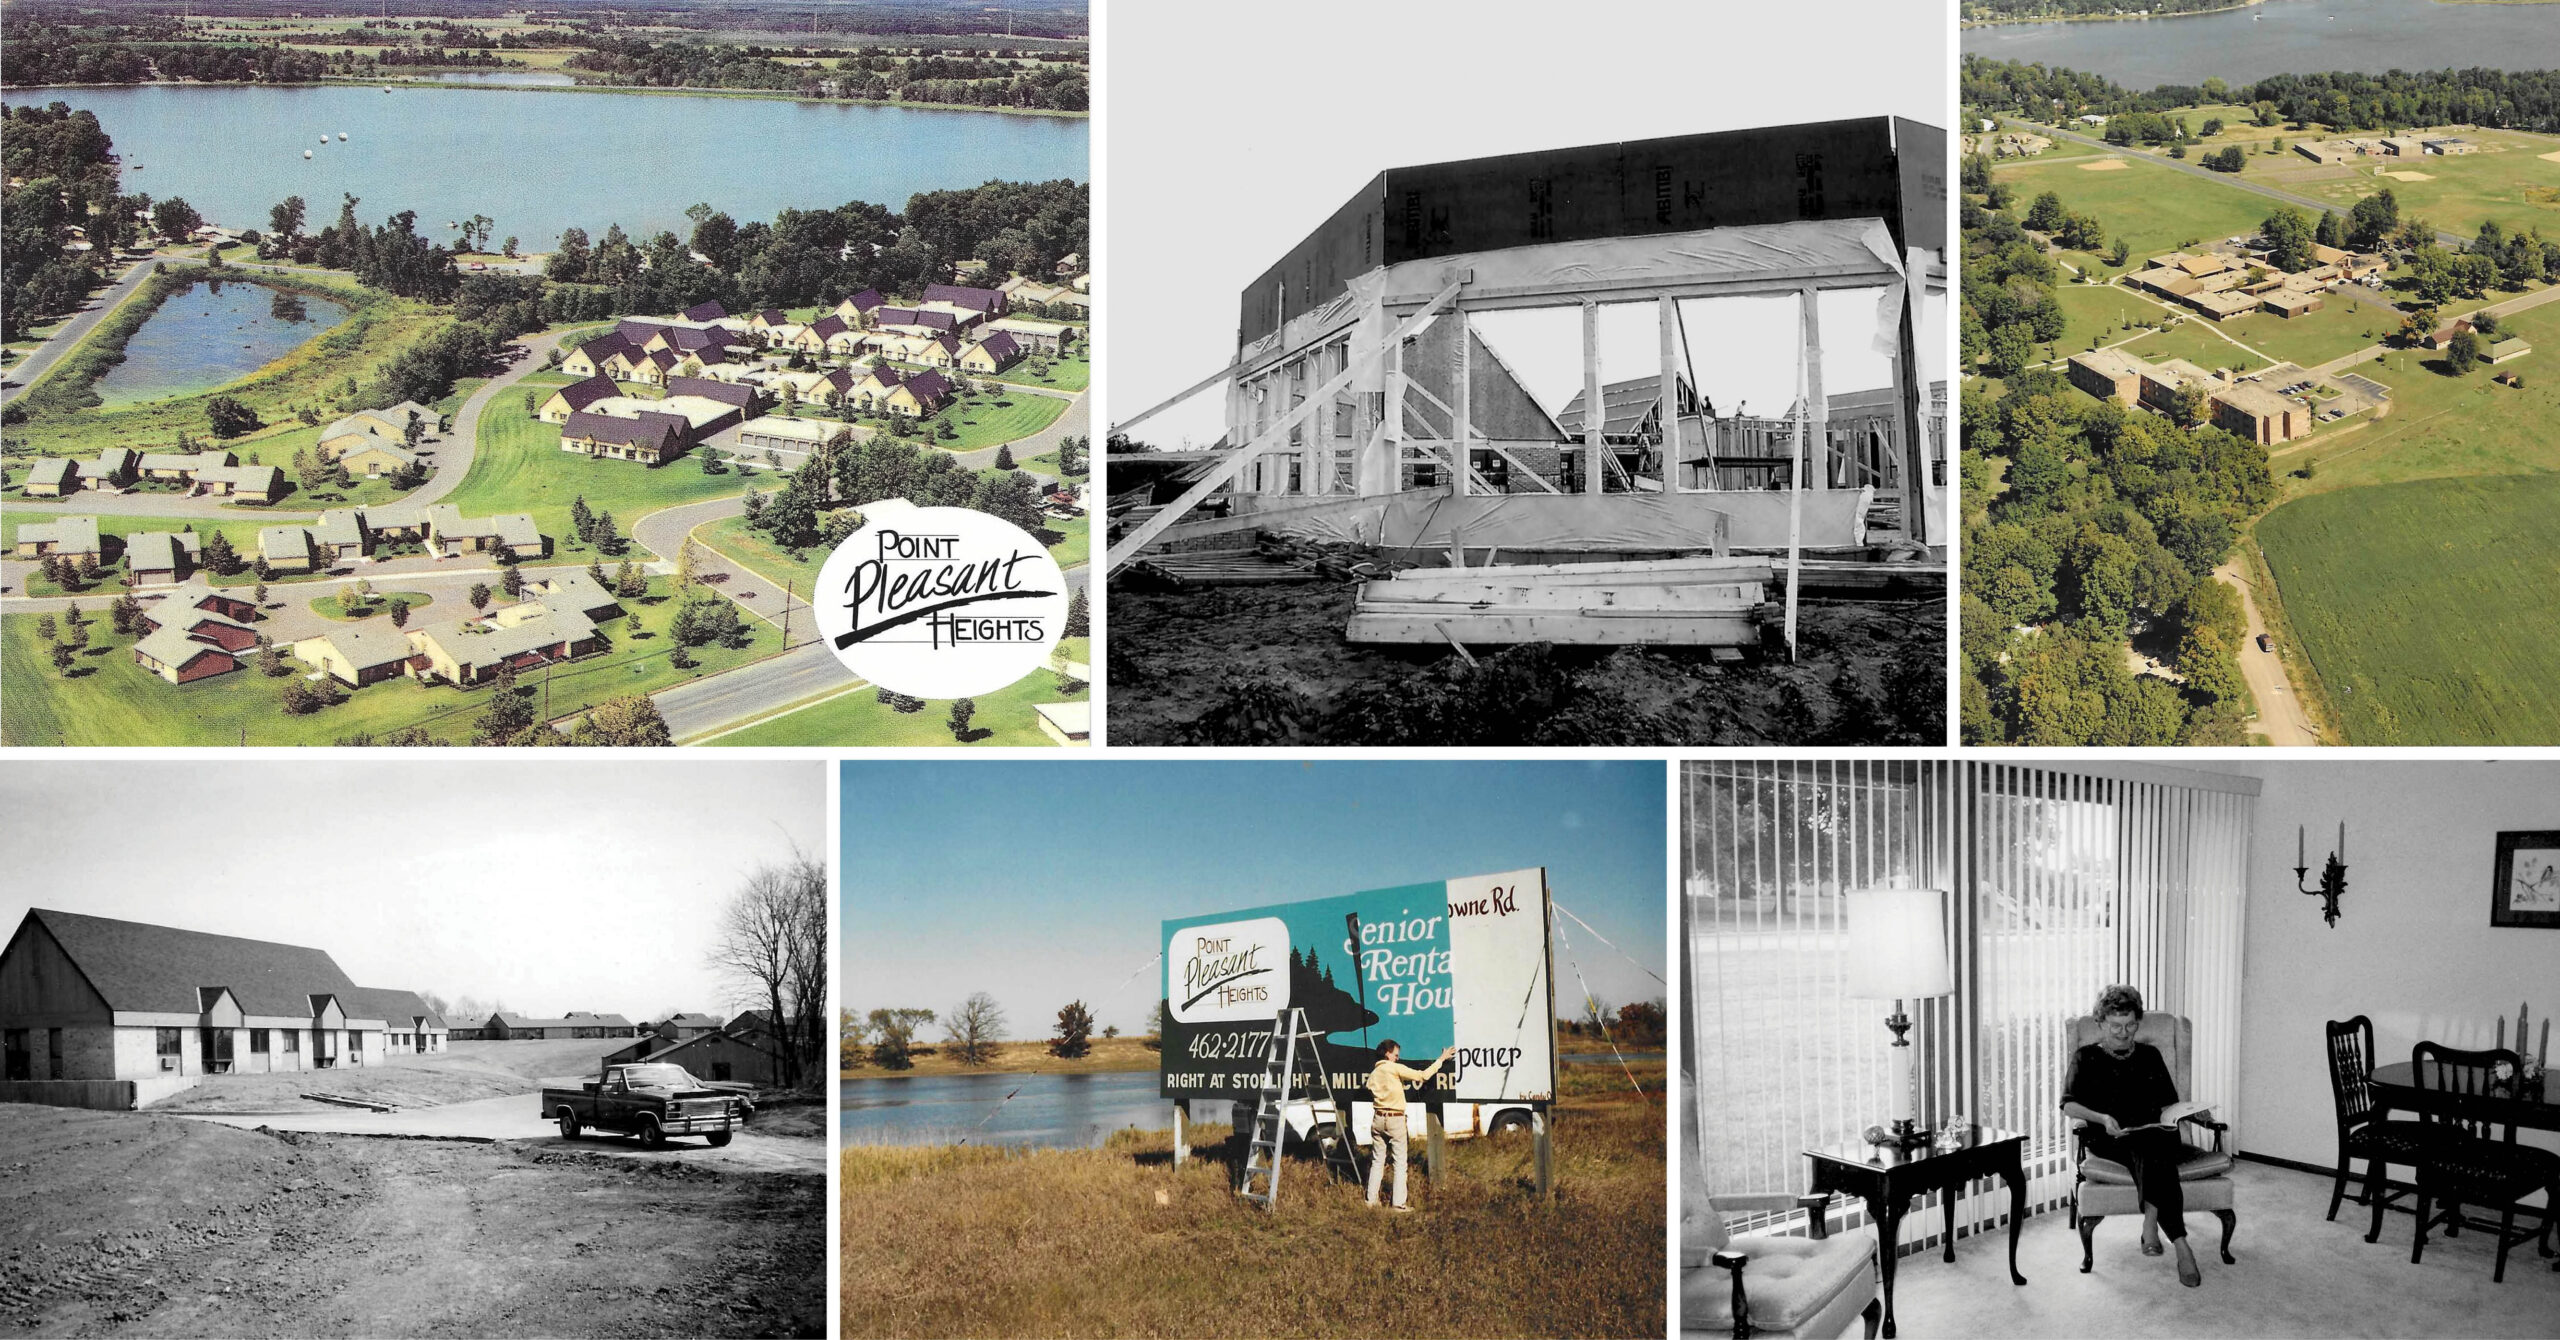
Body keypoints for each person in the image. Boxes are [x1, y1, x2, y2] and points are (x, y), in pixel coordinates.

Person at [2061, 984, 2203, 1287]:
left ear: (2137, 1022)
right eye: (2115, 1026)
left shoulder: (2150, 1055)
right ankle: (2181, 1245)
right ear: (2100, 1023)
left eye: (2130, 1025)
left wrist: (2192, 1112)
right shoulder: (2085, 1057)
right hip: (2111, 1135)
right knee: (2153, 1153)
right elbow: (2069, 1105)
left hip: (2153, 1132)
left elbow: (2168, 1102)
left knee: (2155, 1146)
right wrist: (2101, 1118)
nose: (2124, 1032)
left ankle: (2152, 1225)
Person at [1364, 1038, 1455, 1211]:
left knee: (1377, 1161)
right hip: (1395, 1118)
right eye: (1396, 1054)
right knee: (1400, 1163)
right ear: (1387, 1053)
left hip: (1377, 1118)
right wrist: (1441, 1059)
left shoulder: (1374, 1073)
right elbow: (1422, 1076)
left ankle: (1371, 1201)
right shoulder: (1394, 1068)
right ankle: (1398, 1204)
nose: (1398, 1058)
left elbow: (1370, 1088)